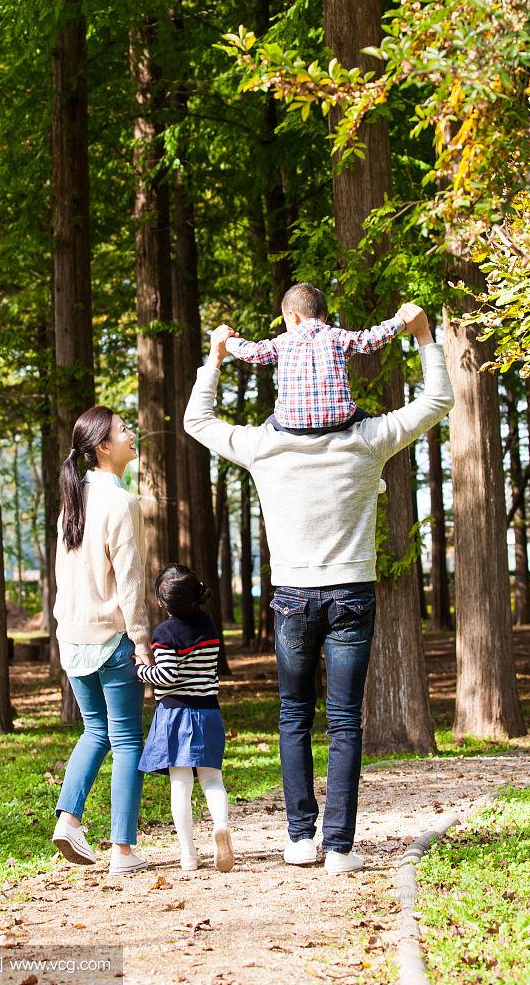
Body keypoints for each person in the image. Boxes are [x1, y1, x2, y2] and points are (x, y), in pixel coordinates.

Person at [183, 305, 453, 876]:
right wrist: (425, 336)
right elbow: (436, 402)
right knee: (346, 720)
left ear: (285, 329)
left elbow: (198, 423)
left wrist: (214, 356)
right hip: (352, 593)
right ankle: (339, 848)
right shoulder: (367, 439)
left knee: (293, 715)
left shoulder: (264, 445)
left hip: (292, 598)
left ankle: (300, 839)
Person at [51, 406, 152, 876]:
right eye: (123, 429)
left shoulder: (74, 500)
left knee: (96, 732)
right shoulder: (120, 502)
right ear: (103, 448)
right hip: (112, 639)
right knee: (128, 739)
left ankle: (70, 819)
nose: (132, 433)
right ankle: (123, 851)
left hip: (71, 637)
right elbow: (130, 582)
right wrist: (143, 641)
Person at [136, 564, 234, 874]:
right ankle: (221, 827)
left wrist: (141, 671)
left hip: (176, 715)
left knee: (181, 785)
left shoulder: (165, 633)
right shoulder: (208, 623)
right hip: (207, 711)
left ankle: (188, 854)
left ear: (162, 603)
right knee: (212, 779)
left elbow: (166, 675)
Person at [224, 282, 409, 434]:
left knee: (265, 434)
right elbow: (369, 339)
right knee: (373, 428)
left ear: (292, 316)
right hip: (339, 420)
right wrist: (400, 321)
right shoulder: (337, 336)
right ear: (325, 317)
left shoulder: (283, 342)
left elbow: (253, 351)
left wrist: (229, 342)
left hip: (290, 423)